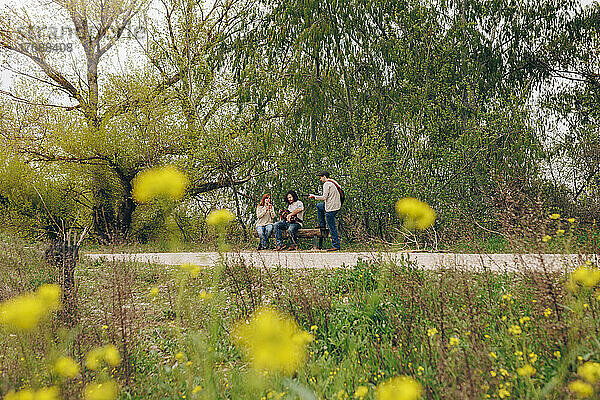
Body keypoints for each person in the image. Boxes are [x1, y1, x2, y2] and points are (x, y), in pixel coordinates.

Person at [309, 171, 342, 251]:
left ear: (324, 176)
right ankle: (322, 224)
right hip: (336, 206)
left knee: (332, 227)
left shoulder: (327, 184)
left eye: (320, 177)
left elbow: (324, 197)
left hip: (331, 208)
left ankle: (336, 245)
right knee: (319, 206)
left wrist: (314, 196)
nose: (320, 179)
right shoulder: (333, 182)